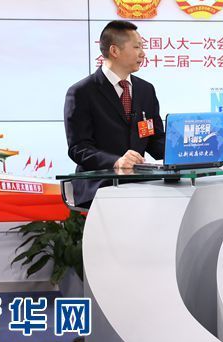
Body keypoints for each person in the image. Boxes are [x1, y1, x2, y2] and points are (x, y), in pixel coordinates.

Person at [64, 20, 165, 207]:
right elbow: (79, 148)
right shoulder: (82, 92)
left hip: (140, 183)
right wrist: (116, 161)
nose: (143, 53)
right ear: (114, 51)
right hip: (99, 184)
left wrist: (183, 151)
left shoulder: (146, 90)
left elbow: (154, 139)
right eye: (137, 47)